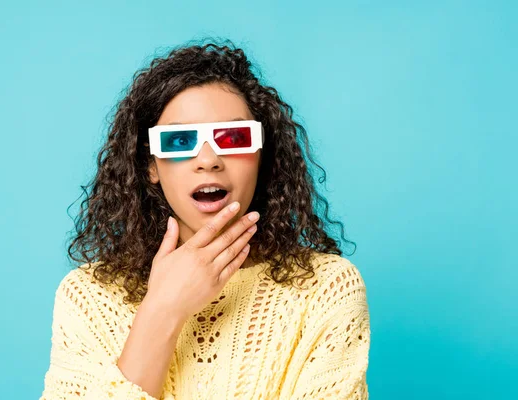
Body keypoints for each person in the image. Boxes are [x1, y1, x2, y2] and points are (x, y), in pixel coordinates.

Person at [39, 39, 370, 400]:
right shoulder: (89, 296)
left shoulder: (325, 288)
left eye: (233, 137)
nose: (208, 159)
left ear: (262, 154)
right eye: (180, 141)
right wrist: (163, 309)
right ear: (151, 164)